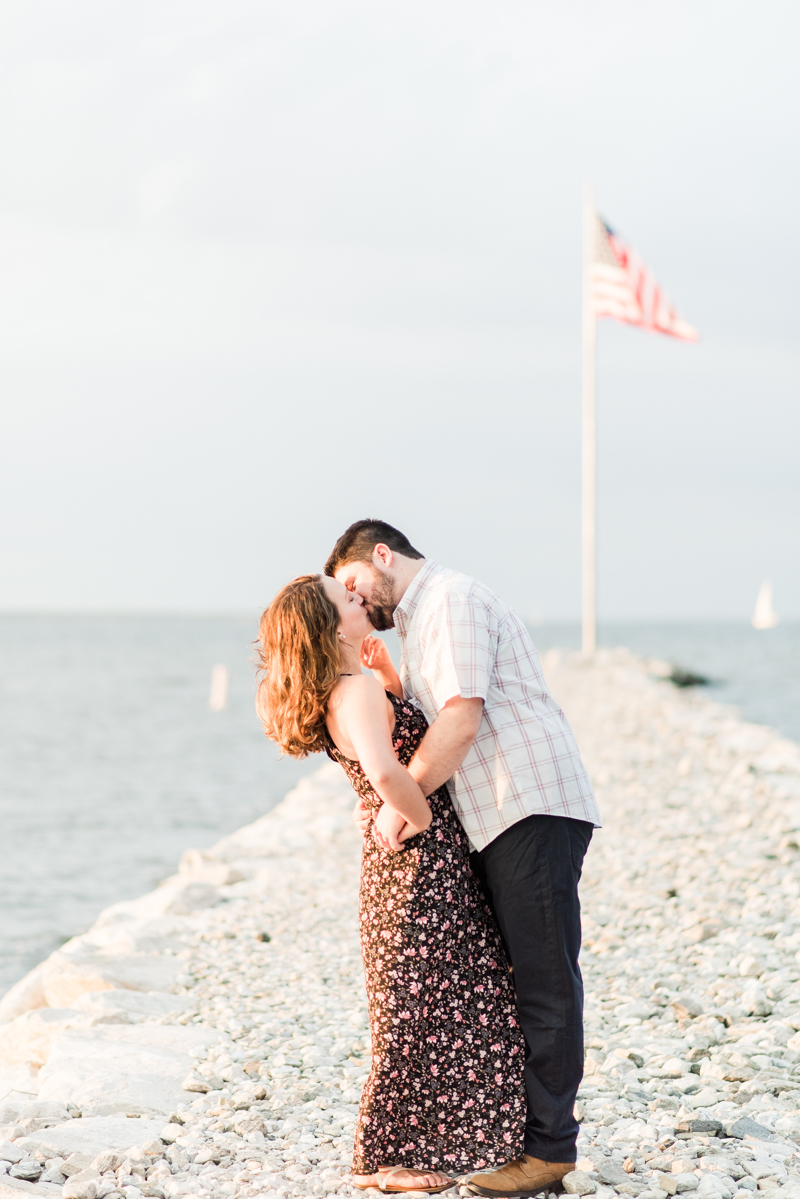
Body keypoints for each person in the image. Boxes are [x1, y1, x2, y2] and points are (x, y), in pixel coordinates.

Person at [325, 520, 601, 1199]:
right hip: (497, 815)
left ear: (381, 554)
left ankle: (547, 1151)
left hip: (526, 803)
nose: (362, 602)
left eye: (356, 584)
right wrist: (379, 788)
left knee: (543, 977)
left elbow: (460, 719)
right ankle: (521, 1138)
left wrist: (400, 799)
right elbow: (420, 728)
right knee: (518, 979)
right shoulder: (422, 621)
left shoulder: (448, 599)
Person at [255, 574, 526, 1196]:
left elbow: (389, 748)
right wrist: (419, 815)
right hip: (413, 863)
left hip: (407, 864)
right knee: (416, 1007)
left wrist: (393, 682)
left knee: (441, 996)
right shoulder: (350, 691)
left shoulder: (355, 685)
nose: (355, 596)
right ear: (328, 626)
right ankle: (387, 1158)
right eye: (342, 598)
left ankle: (442, 1138)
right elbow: (383, 770)